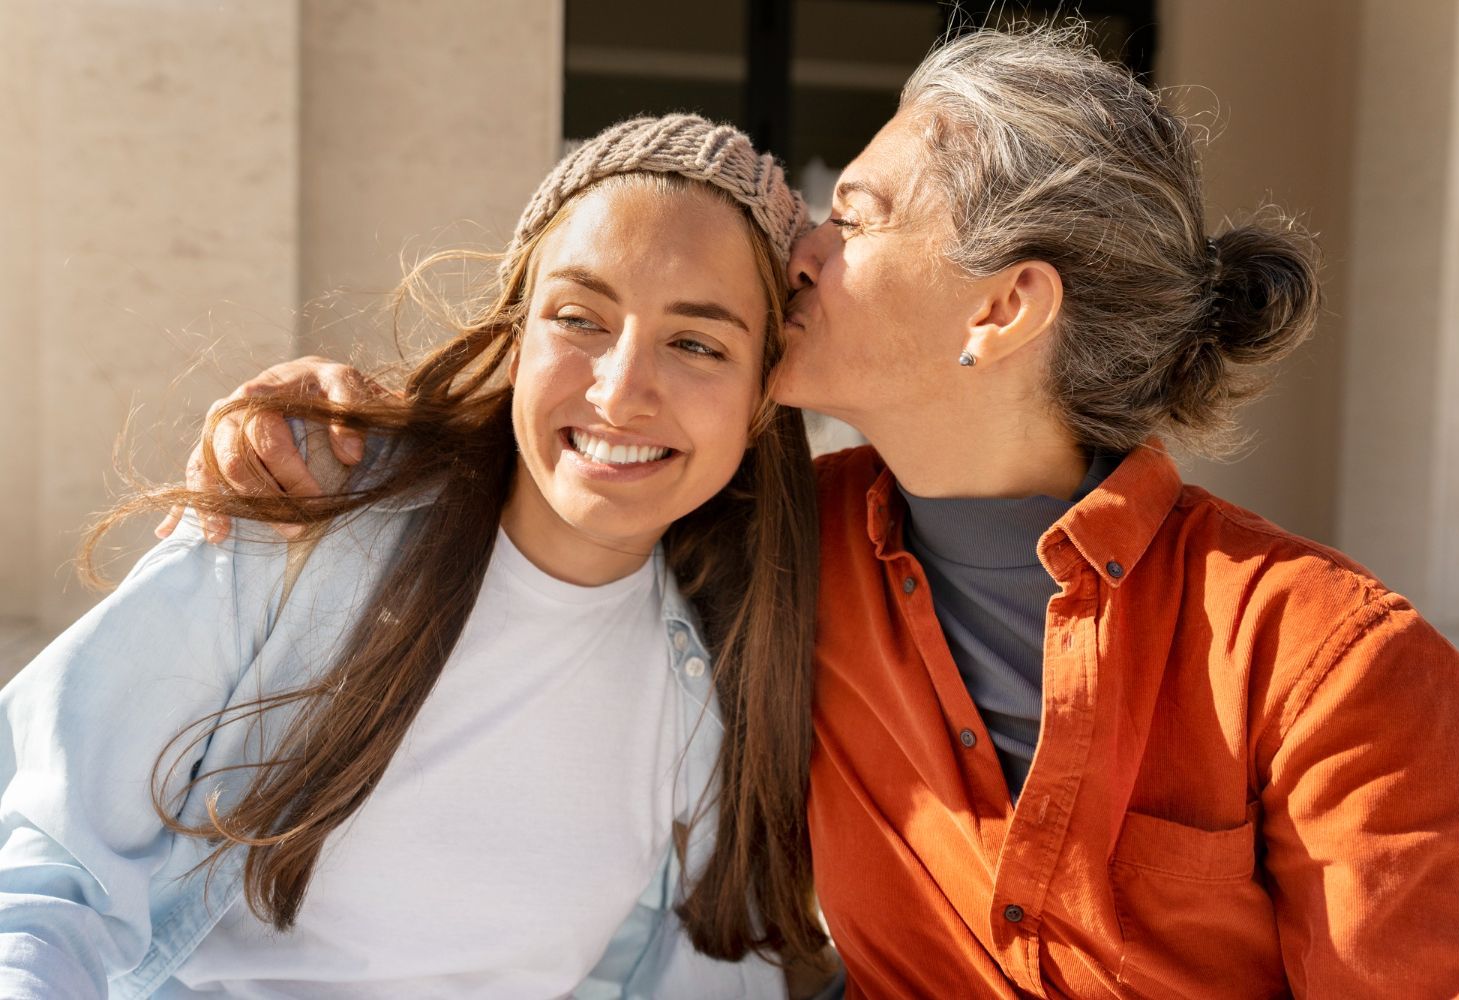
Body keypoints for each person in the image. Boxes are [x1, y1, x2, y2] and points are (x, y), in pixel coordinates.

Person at [169, 26, 1459, 1000]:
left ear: (1000, 308)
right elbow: (577, 447)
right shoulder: (774, 542)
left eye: (857, 215)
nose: (799, 242)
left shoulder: (1338, 672)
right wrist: (348, 426)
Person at [0, 115, 844, 998]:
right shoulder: (310, 504)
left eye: (697, 343)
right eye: (578, 318)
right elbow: (51, 882)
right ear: (518, 333)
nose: (621, 391)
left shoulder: (722, 678)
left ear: (761, 393)